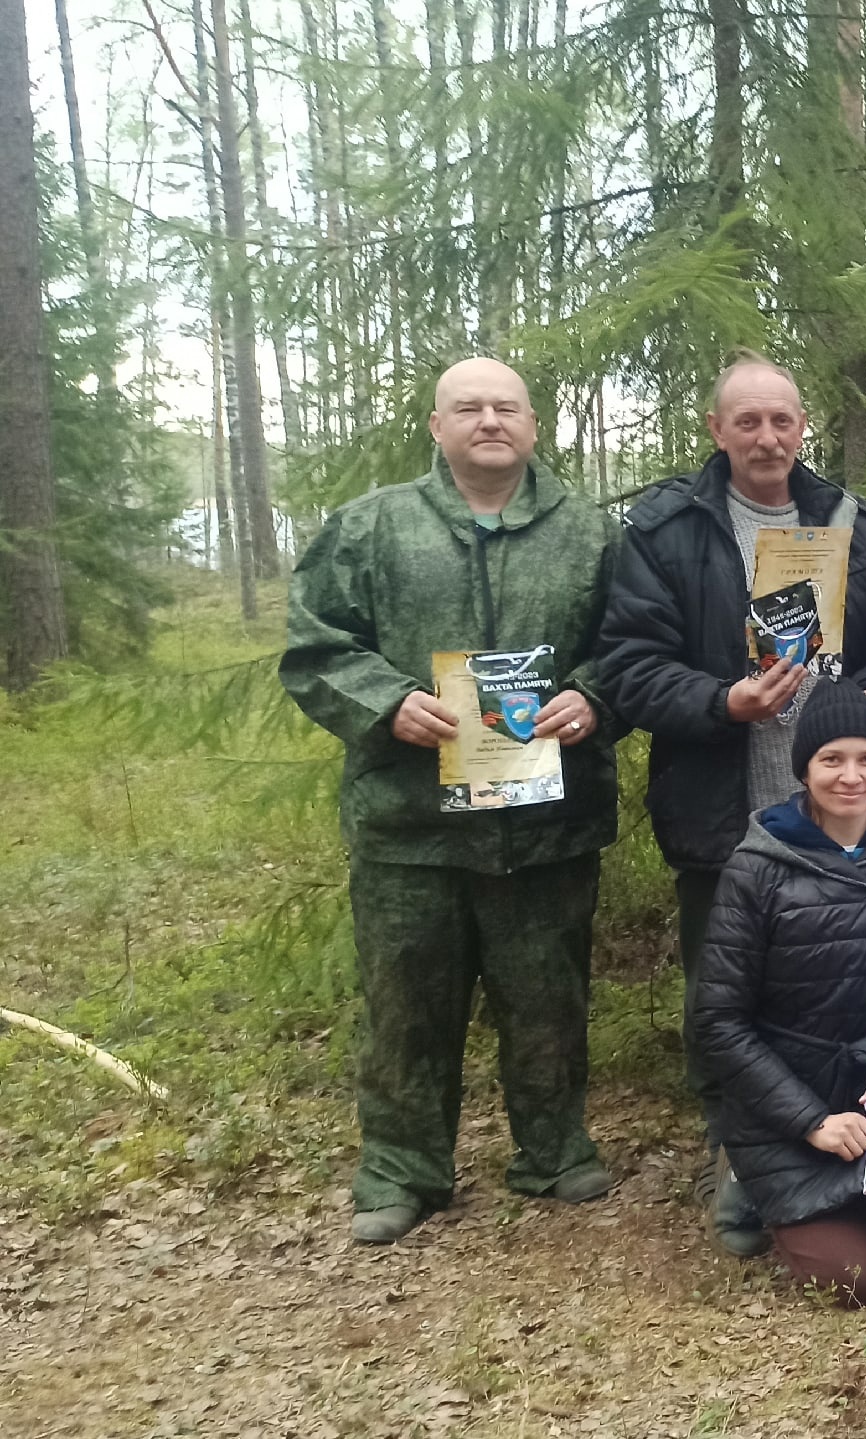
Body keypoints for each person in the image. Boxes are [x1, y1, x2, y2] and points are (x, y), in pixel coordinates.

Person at [281, 357, 622, 1245]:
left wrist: (595, 695)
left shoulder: (588, 532)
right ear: (436, 427)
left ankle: (552, 1150)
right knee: (406, 1001)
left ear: (534, 425)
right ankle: (401, 1168)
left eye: (506, 406)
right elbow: (315, 647)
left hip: (548, 818)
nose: (488, 420)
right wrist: (385, 702)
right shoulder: (371, 527)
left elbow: (631, 643)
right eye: (467, 408)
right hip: (409, 823)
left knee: (548, 995)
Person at [597, 351, 866, 1260]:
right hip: (726, 806)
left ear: (802, 424)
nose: (768, 438)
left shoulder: (853, 522)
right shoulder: (666, 530)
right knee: (723, 995)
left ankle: (848, 1148)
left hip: (848, 809)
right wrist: (721, 699)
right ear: (715, 429)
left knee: (846, 994)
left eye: (783, 420)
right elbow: (627, 667)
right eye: (748, 422)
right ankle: (739, 1157)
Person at [689, 678, 866, 1304]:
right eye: (832, 760)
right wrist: (809, 1120)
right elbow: (717, 1023)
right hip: (796, 1105)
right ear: (804, 768)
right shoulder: (756, 868)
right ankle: (749, 1176)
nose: (852, 776)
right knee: (858, 1282)